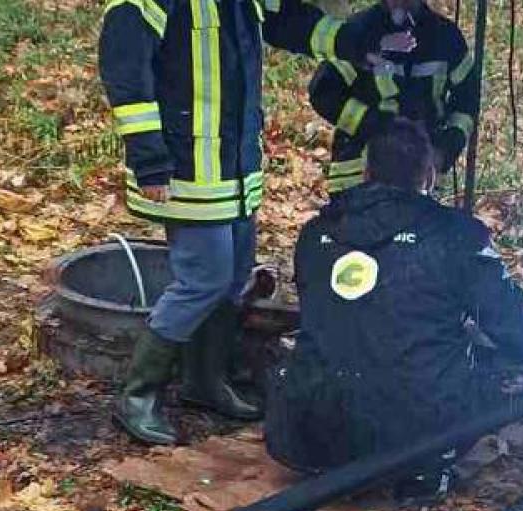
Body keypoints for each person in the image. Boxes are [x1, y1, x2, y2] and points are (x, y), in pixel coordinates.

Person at [100, 0, 417, 445]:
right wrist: (149, 158)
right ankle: (138, 396)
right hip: (185, 166)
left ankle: (206, 382)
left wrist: (353, 41)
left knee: (232, 278)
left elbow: (288, 19)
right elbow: (125, 70)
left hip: (235, 167)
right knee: (202, 280)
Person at [266, 120, 523, 499]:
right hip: (413, 434)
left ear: (366, 172)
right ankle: (423, 469)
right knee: (485, 374)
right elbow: (513, 323)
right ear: (429, 176)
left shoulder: (315, 233)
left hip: (307, 429)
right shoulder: (455, 236)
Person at [307, 0, 481, 194]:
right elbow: (323, 91)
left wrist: (444, 150)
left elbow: (467, 101)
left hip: (420, 178)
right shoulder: (362, 32)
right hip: (355, 178)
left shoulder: (446, 38)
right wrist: (374, 125)